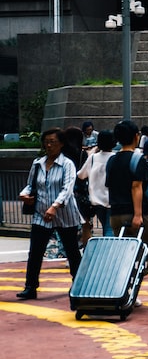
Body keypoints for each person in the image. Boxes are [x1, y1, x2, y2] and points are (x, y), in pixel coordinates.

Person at [16, 128, 84, 300]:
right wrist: (24, 194)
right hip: (41, 213)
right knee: (36, 251)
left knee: (72, 251)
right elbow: (31, 185)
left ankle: (79, 285)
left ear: (61, 143)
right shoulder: (37, 163)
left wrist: (55, 207)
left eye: (53, 141)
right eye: (46, 141)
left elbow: (67, 189)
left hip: (64, 214)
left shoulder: (67, 164)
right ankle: (30, 287)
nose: (49, 145)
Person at [107, 119, 148, 275]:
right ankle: (132, 278)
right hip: (136, 213)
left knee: (125, 253)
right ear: (136, 136)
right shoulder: (138, 160)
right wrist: (138, 214)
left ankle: (125, 285)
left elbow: (110, 186)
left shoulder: (112, 160)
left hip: (116, 213)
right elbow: (136, 186)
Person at [78, 129, 116, 240]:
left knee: (106, 226)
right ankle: (108, 252)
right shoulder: (115, 157)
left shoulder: (93, 158)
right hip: (112, 200)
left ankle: (106, 250)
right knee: (109, 229)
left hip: (96, 200)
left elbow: (81, 175)